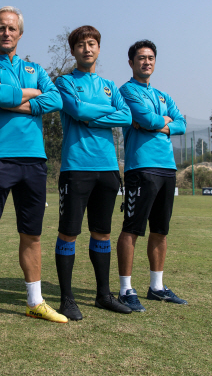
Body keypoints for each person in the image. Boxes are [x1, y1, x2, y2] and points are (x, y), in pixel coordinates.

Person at [0, 6, 65, 335]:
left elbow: (56, 99)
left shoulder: (35, 68)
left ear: (20, 34)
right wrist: (33, 96)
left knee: (32, 235)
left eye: (12, 28)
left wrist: (23, 100)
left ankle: (35, 302)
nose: (6, 33)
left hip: (34, 159)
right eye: (0, 28)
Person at [54, 26, 133, 320]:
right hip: (76, 168)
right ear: (73, 51)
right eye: (81, 45)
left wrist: (92, 113)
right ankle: (67, 299)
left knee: (102, 232)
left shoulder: (110, 85)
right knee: (69, 233)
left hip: (108, 169)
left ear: (99, 48)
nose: (87, 49)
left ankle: (103, 295)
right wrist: (98, 113)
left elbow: (125, 116)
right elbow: (77, 111)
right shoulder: (64, 82)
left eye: (92, 43)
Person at [116, 40, 188, 312]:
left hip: (167, 168)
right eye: (141, 58)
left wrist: (165, 125)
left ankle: (156, 287)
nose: (146, 62)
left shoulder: (162, 95)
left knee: (160, 230)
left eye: (150, 58)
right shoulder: (126, 91)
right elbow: (146, 120)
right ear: (131, 62)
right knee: (132, 228)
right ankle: (125, 289)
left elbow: (180, 122)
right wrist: (164, 121)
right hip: (141, 168)